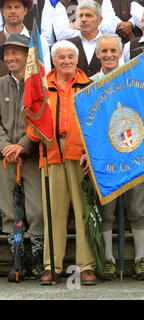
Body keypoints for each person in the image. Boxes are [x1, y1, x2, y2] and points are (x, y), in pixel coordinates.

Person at [25, 40, 97, 286]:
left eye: (71, 56)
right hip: (52, 152)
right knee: (54, 213)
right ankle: (51, 266)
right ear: (53, 60)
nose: (67, 60)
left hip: (81, 154)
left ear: (77, 60)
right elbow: (31, 119)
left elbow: (98, 124)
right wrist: (38, 134)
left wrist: (91, 152)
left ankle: (86, 266)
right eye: (61, 57)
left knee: (83, 211)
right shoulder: (43, 86)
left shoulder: (90, 86)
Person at [90, 33, 144, 281]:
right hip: (105, 159)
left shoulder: (134, 80)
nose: (108, 55)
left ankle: (140, 259)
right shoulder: (90, 84)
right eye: (104, 51)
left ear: (121, 53)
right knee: (107, 211)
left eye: (113, 51)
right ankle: (108, 259)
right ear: (97, 54)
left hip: (133, 153)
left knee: (138, 209)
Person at [0, 33, 44, 282]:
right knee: (9, 212)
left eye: (16, 52)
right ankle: (18, 261)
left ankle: (38, 260)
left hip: (32, 157)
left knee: (36, 211)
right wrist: (7, 146)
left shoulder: (38, 85)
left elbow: (41, 120)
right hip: (5, 159)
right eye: (7, 53)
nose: (10, 57)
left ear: (27, 56)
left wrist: (23, 145)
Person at [0, 0, 51, 76]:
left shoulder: (39, 40)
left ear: (25, 10)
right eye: (9, 7)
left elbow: (45, 75)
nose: (13, 11)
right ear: (3, 11)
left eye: (17, 7)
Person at [67, 0, 103, 77]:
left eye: (88, 15)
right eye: (80, 16)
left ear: (99, 20)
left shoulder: (111, 44)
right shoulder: (68, 45)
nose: (83, 20)